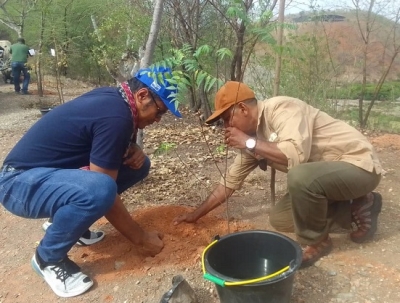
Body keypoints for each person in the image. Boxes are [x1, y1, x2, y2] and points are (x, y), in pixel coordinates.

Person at [0, 66, 181, 297]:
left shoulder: (117, 101)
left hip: (40, 176)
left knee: (138, 165)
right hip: (17, 184)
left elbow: (99, 140)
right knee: (101, 188)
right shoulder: (117, 116)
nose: (158, 120)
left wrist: (132, 147)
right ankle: (47, 258)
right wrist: (140, 238)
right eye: (160, 112)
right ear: (142, 95)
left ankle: (69, 223)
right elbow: (103, 185)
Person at [173, 81, 382, 268]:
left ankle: (319, 241)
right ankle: (357, 205)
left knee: (299, 176)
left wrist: (248, 142)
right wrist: (195, 215)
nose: (227, 127)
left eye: (228, 119)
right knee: (280, 218)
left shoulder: (283, 108)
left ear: (243, 108)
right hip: (326, 181)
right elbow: (229, 182)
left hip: (358, 165)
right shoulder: (254, 139)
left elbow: (295, 155)